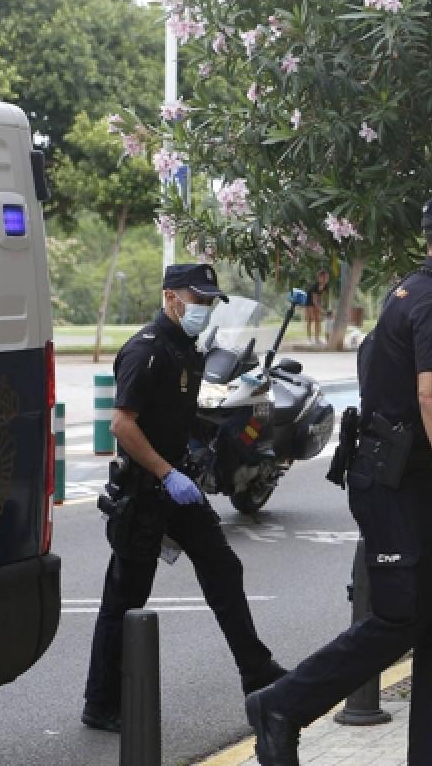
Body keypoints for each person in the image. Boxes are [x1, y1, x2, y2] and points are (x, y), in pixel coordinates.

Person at [245, 190, 432, 766]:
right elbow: (428, 396)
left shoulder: (414, 291)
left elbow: (420, 393)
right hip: (396, 485)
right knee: (399, 618)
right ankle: (282, 705)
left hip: (409, 478)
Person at [83, 263, 285, 732]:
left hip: (178, 487)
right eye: (198, 300)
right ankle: (101, 703)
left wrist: (238, 399)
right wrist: (166, 472)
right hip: (145, 489)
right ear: (170, 297)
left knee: (223, 569)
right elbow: (122, 425)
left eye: (210, 301)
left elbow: (181, 415)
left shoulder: (186, 350)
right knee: (126, 598)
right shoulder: (145, 351)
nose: (204, 309)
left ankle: (256, 671)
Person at [304, 269, 331, 343]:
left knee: (318, 320)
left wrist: (323, 307)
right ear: (319, 278)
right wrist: (321, 310)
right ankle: (309, 339)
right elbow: (314, 301)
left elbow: (323, 297)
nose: (326, 279)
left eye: (327, 277)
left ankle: (317, 339)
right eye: (325, 277)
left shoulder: (326, 286)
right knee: (310, 320)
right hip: (309, 303)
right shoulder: (314, 287)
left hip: (316, 302)